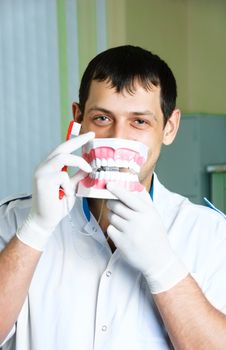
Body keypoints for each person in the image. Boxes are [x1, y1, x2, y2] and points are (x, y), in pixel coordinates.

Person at [0, 45, 226, 350]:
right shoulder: (16, 219)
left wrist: (164, 267)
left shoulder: (210, 234)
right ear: (78, 119)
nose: (119, 138)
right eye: (103, 118)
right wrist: (35, 230)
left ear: (169, 127)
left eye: (140, 122)